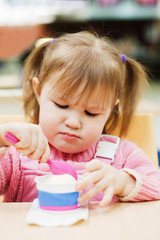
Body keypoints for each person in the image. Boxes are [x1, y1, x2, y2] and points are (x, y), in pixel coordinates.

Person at [0, 31, 160, 207]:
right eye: (62, 105)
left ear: (110, 109)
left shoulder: (122, 155)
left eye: (91, 113)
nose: (73, 123)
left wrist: (123, 182)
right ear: (38, 92)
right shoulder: (16, 154)